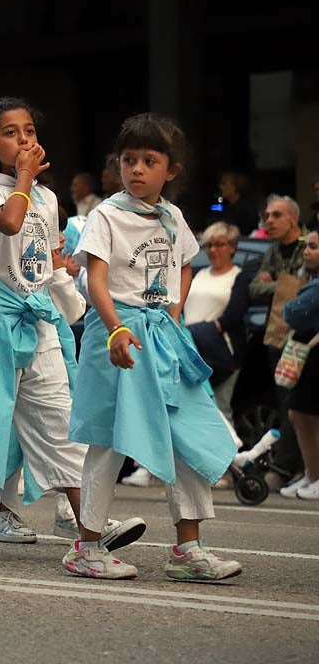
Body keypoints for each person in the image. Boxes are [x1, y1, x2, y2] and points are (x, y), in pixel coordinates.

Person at [0, 97, 145, 563]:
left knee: (59, 416)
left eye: (29, 131)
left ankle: (89, 525)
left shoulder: (47, 198)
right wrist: (23, 177)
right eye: (10, 133)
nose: (24, 140)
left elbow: (42, 261)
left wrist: (69, 301)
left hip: (36, 315)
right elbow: (9, 222)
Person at [68, 113, 241, 581]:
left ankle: (188, 548)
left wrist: (176, 311)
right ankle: (86, 546)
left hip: (162, 336)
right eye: (128, 160)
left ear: (172, 170)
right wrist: (114, 330)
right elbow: (95, 279)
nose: (137, 169)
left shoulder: (172, 216)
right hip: (117, 333)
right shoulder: (107, 214)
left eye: (149, 160)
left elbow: (186, 262)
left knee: (185, 435)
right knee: (108, 440)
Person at [249, 195, 307, 475]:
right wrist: (286, 286)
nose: (268, 221)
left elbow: (308, 287)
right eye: (267, 216)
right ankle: (289, 469)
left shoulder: (309, 245)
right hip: (279, 336)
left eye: (276, 215)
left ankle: (303, 469)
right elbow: (254, 289)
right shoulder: (272, 251)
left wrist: (277, 283)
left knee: (306, 407)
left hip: (306, 336)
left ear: (293, 219)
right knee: (286, 405)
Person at [183, 222, 251, 426]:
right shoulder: (197, 274)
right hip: (191, 350)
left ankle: (230, 457)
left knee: (220, 409)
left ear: (232, 247)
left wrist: (210, 330)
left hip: (221, 354)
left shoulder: (239, 277)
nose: (213, 250)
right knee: (193, 410)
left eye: (219, 244)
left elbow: (234, 314)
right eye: (208, 245)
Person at [280, 230, 319, 499]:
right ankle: (311, 475)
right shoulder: (312, 281)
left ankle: (316, 477)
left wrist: (292, 303)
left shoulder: (316, 287)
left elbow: (292, 312)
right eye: (307, 246)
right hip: (310, 354)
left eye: (314, 247)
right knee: (299, 414)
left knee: (309, 415)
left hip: (316, 355)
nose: (306, 251)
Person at [216, 172, 259, 236]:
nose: (220, 187)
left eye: (224, 183)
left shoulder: (247, 209)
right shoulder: (227, 208)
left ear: (235, 186)